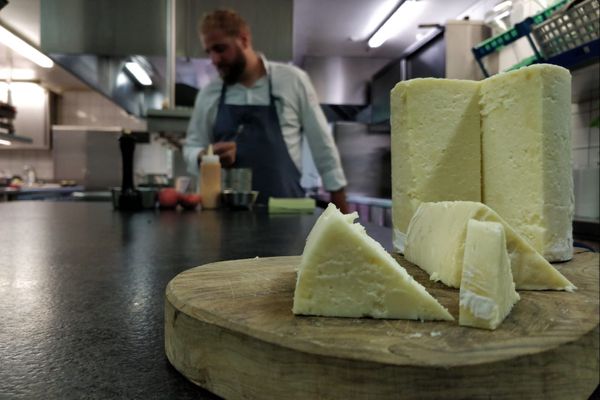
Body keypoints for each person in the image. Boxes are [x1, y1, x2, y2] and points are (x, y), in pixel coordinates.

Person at [183, 8, 349, 212]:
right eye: (209, 52)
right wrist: (204, 156)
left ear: (243, 40)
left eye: (220, 49)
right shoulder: (209, 93)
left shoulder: (293, 80)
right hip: (226, 217)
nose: (214, 60)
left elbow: (322, 143)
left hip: (286, 212)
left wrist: (340, 202)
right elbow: (191, 145)